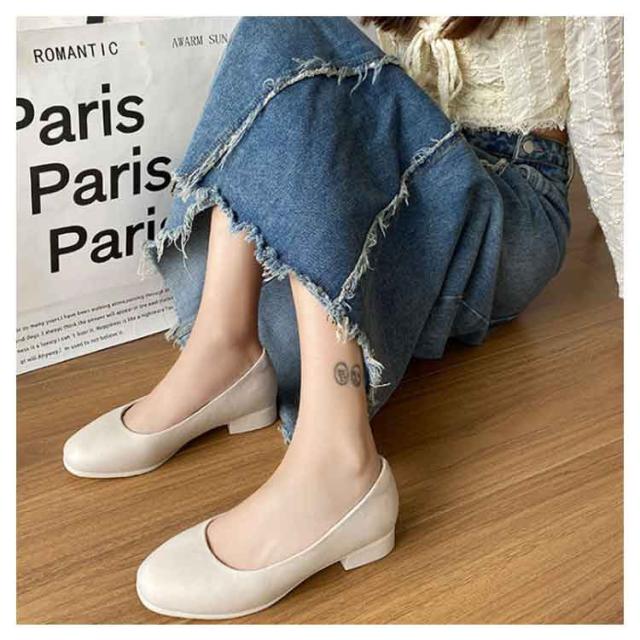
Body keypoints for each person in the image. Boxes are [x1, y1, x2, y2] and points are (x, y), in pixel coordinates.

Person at [62, 16, 623, 619]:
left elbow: (611, 130)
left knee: (293, 32)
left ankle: (337, 463)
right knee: (284, 32)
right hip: (403, 173)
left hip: (505, 198)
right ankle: (223, 349)